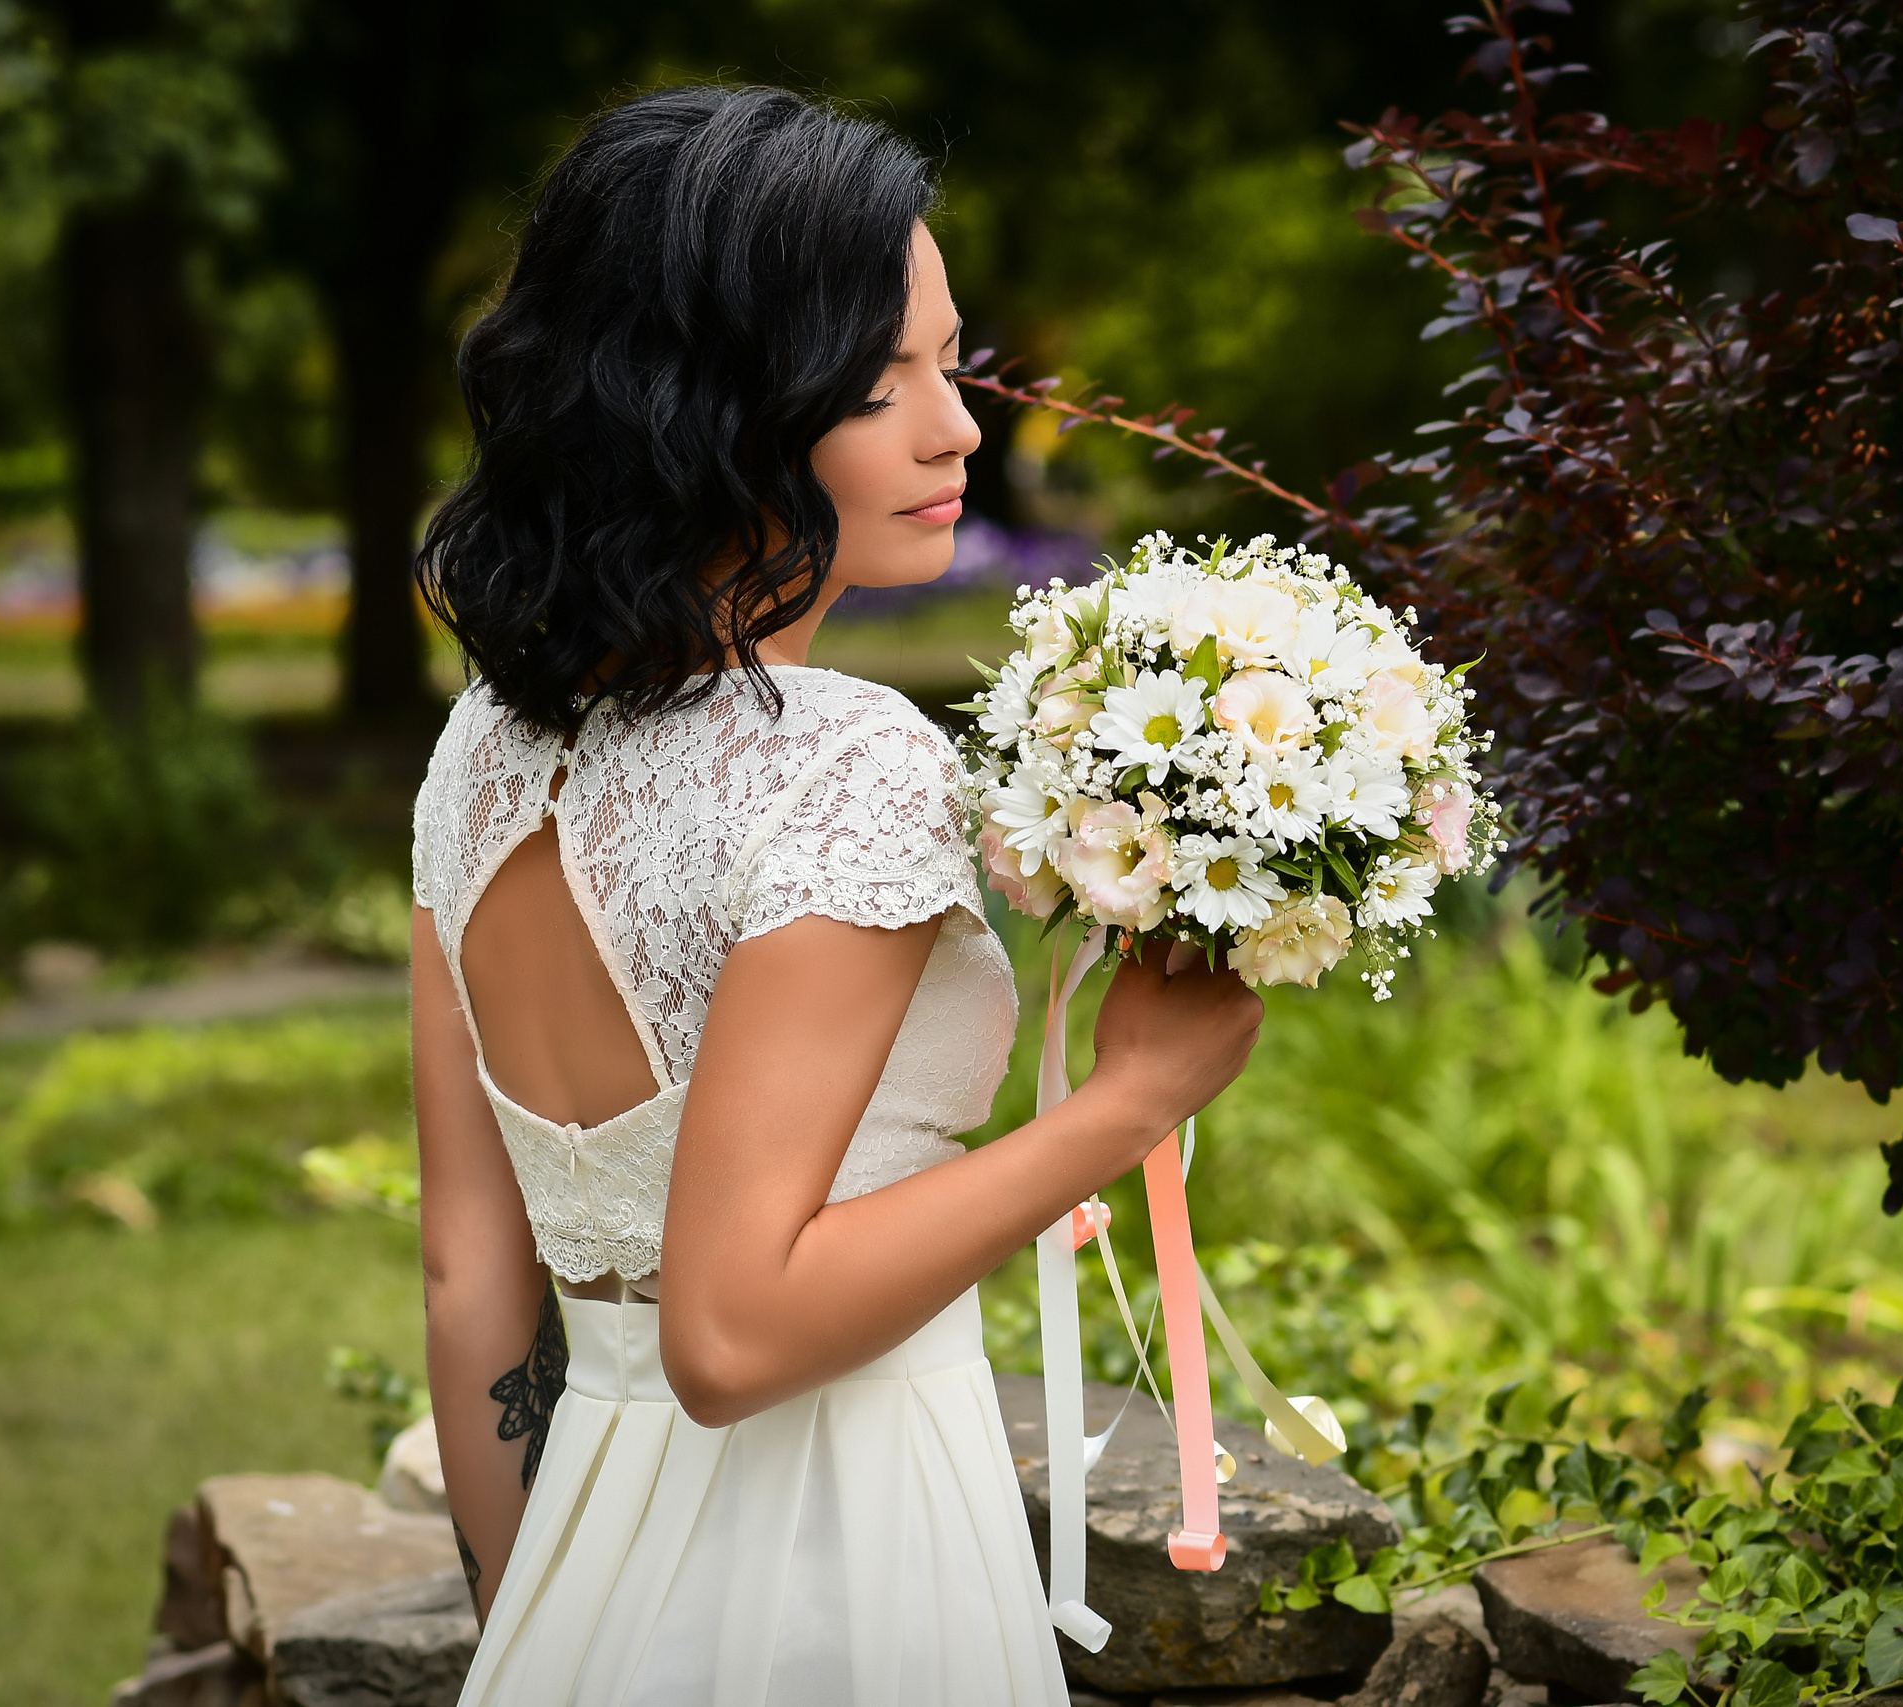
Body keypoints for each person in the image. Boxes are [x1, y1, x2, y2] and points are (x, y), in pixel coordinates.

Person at [406, 85, 1264, 1705]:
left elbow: (471, 1282)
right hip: (844, 1569)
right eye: (881, 385)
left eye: (951, 364)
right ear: (713, 409)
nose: (957, 430)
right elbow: (731, 1339)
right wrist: (1129, 1104)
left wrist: (532, 1629)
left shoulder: (482, 758)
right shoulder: (842, 763)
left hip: (582, 1583)